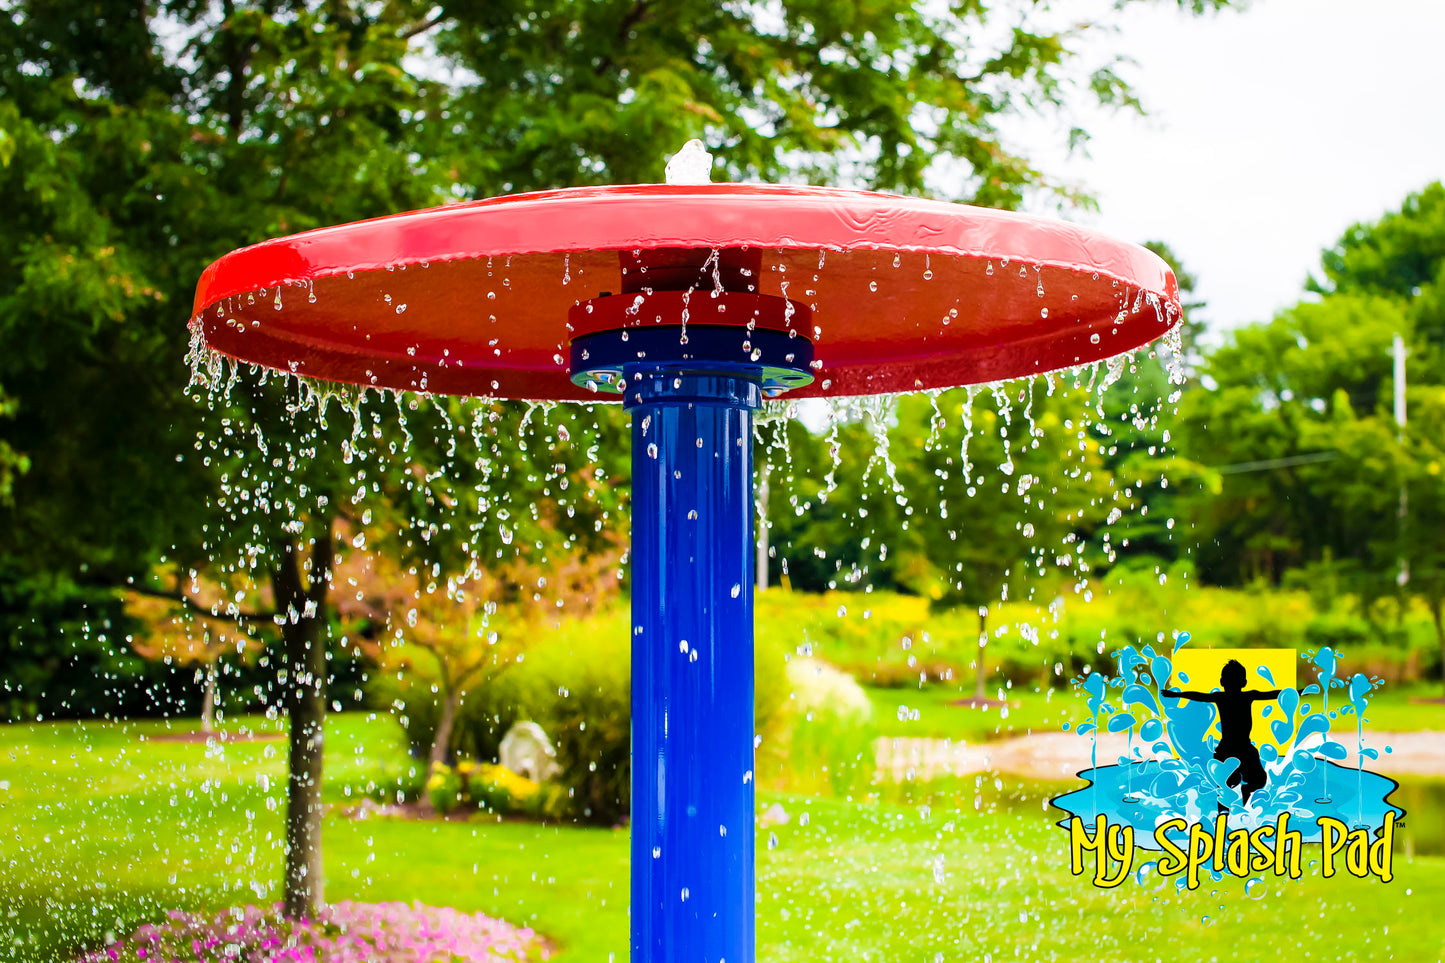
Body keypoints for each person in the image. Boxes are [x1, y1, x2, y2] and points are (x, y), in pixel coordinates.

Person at [1163, 659, 1281, 808]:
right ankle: (1238, 802)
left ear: (1222, 682)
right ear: (1244, 682)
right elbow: (1273, 694)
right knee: (1244, 782)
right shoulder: (1243, 696)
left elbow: (1198, 695)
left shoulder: (1226, 697)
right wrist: (1296, 694)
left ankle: (1229, 808)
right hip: (1237, 749)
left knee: (1233, 783)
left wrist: (1176, 695)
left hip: (1233, 750)